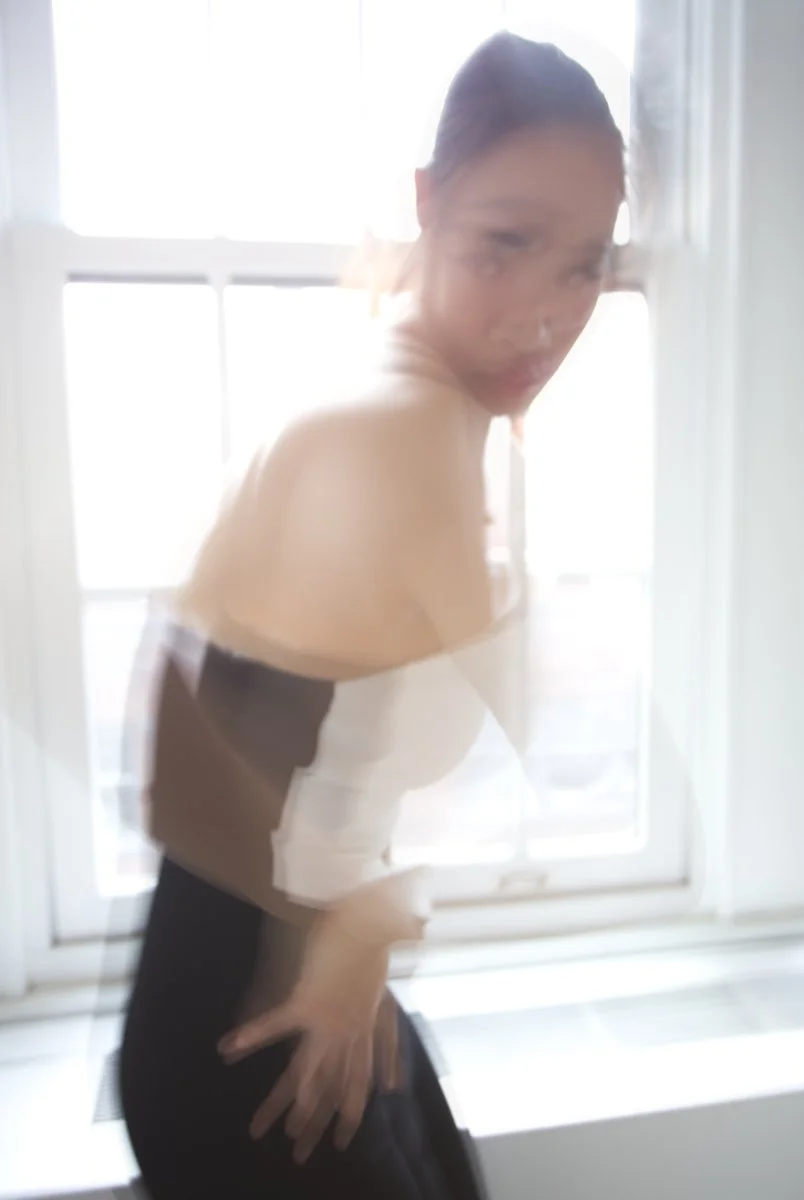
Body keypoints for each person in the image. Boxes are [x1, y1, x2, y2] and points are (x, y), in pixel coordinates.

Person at [118, 31, 625, 1200]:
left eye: (585, 265)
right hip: (256, 1031)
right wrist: (358, 912)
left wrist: (359, 916)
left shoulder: (421, 398)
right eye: (508, 244)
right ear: (429, 201)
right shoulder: (392, 426)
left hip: (305, 986)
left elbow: (235, 703)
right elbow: (187, 724)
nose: (544, 314)